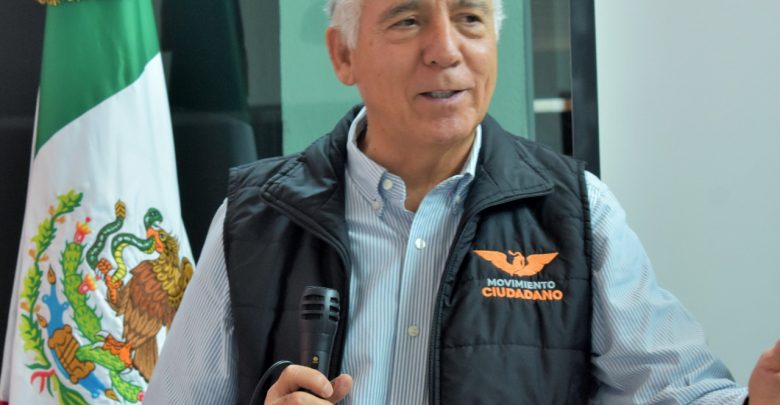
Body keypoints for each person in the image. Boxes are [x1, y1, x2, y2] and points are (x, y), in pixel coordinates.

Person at [144, 0, 780, 403]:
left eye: (470, 18)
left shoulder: (578, 213)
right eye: (408, 20)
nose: (446, 49)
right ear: (343, 54)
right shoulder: (256, 219)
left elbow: (677, 391)